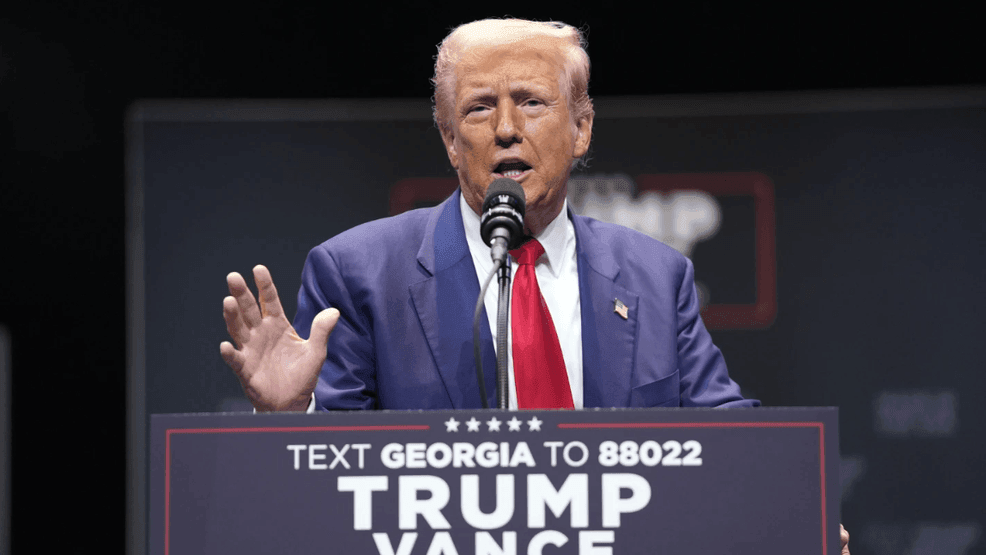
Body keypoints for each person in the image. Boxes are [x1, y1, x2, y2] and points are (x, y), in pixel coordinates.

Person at [220, 18, 849, 552]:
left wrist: (793, 507)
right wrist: (288, 418)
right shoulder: (360, 271)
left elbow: (726, 435)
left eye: (532, 101)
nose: (505, 128)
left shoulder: (657, 276)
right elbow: (337, 498)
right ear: (449, 140)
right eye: (477, 108)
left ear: (581, 129)